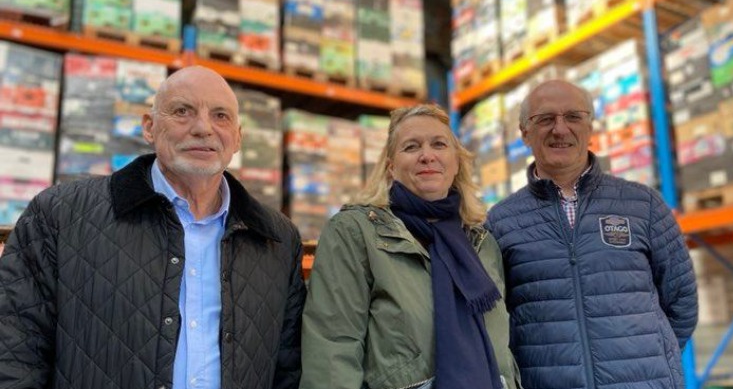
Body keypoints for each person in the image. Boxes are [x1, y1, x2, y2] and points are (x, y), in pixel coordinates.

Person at [0, 66, 306, 389]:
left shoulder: (278, 240)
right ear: (149, 127)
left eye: (221, 116)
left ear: (238, 138)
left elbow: (288, 371)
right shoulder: (60, 215)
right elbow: (13, 353)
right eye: (183, 111)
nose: (203, 128)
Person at [486, 80, 698, 389]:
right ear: (525, 134)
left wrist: (652, 363)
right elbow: (494, 320)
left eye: (573, 116)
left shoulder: (643, 204)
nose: (560, 129)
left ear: (590, 127)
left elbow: (682, 300)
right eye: (545, 119)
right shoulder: (501, 221)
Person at [300, 104, 518, 389]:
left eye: (439, 144)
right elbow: (332, 347)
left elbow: (504, 350)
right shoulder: (355, 232)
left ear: (456, 162)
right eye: (411, 147)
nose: (427, 155)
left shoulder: (482, 243)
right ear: (391, 167)